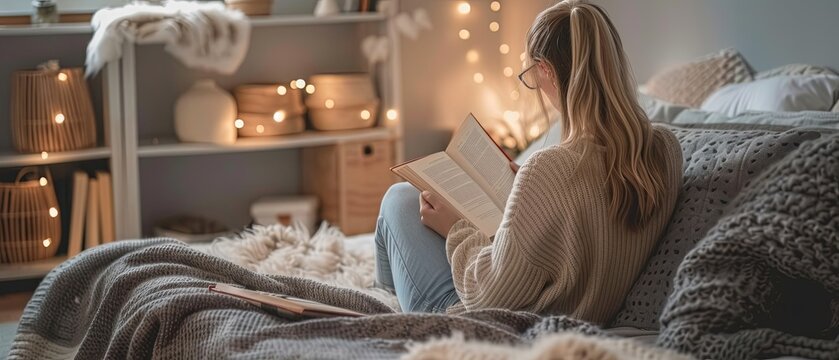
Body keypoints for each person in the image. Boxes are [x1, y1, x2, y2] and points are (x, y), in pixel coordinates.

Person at [374, 0, 683, 325]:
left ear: (546, 70)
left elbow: (487, 297)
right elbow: (589, 221)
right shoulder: (665, 149)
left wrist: (456, 228)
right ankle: (384, 288)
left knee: (399, 199)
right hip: (581, 313)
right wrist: (529, 195)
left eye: (530, 74)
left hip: (498, 326)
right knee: (407, 203)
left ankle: (382, 293)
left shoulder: (550, 168)